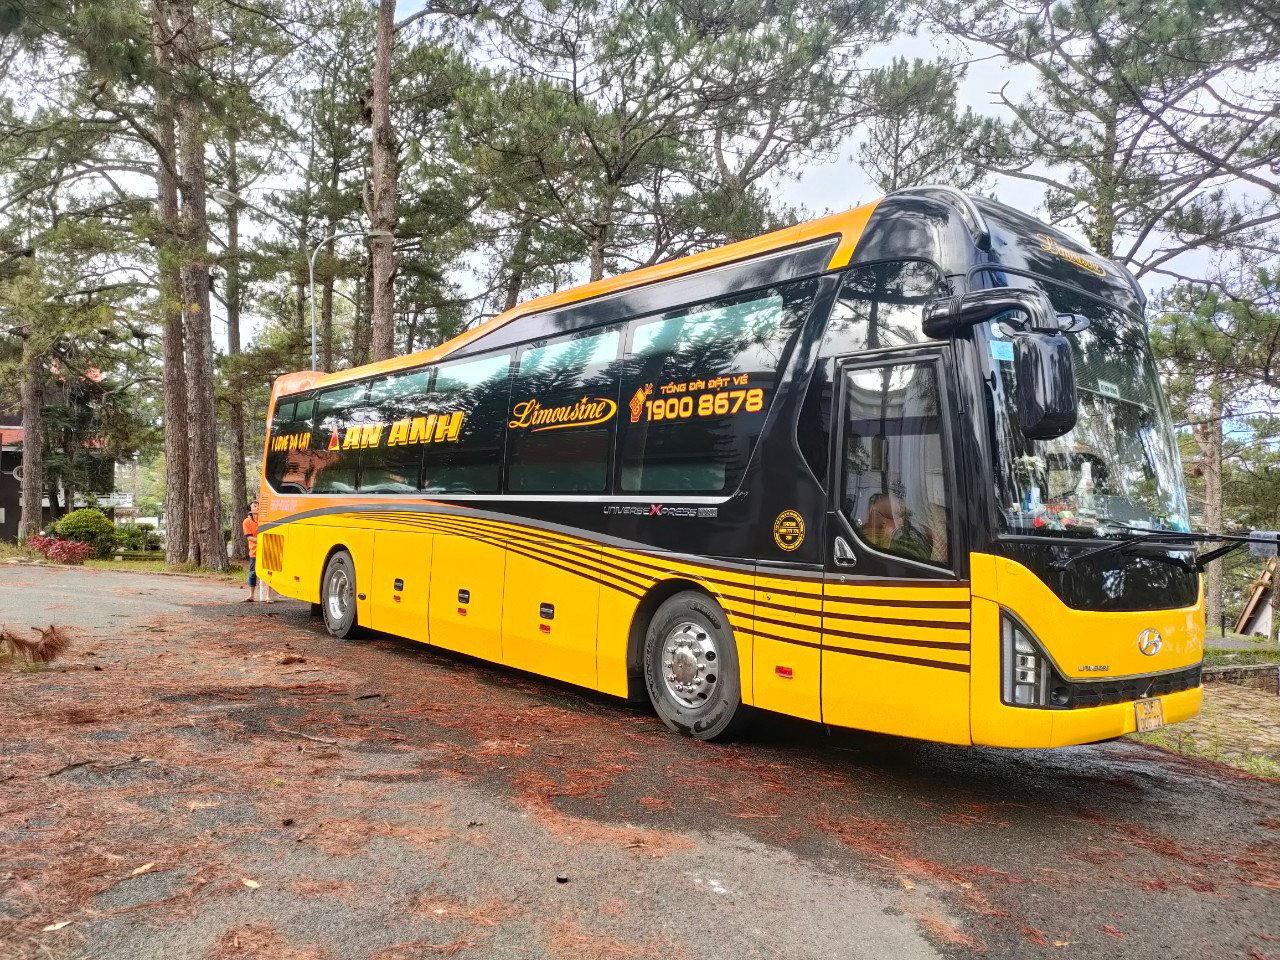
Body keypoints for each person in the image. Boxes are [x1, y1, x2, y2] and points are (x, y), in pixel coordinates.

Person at [242, 500, 259, 602]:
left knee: (269, 573)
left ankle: (268, 596)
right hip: (254, 551)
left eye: (258, 506)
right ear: (250, 510)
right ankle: (251, 595)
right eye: (255, 506)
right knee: (253, 573)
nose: (257, 507)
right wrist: (263, 540)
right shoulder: (246, 522)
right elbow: (249, 538)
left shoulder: (265, 520)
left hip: (266, 550)